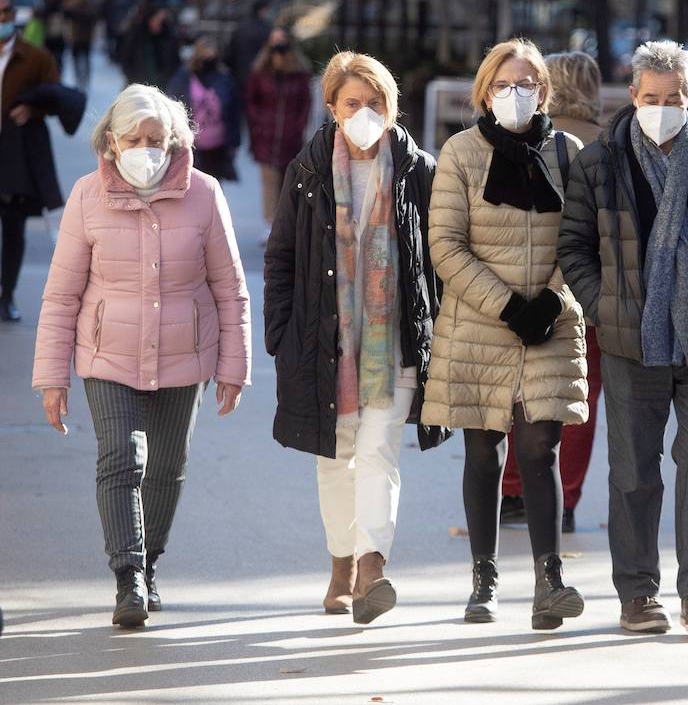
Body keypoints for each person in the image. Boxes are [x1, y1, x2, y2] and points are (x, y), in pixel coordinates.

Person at [559, 39, 688, 634]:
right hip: (632, 342)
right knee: (633, 471)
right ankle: (637, 594)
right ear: (632, 96)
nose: (662, 106)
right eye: (651, 97)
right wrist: (603, 305)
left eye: (673, 97)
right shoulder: (600, 161)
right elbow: (573, 246)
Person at [31, 84, 250, 628]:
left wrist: (234, 366)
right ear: (111, 141)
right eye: (136, 139)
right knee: (122, 458)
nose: (147, 149)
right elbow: (61, 293)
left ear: (175, 142)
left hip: (184, 355)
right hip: (107, 354)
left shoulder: (204, 193)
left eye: (158, 139)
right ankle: (128, 577)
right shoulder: (87, 196)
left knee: (167, 468)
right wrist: (51, 376)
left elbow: (230, 288)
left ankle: (150, 566)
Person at [264, 51, 443, 625]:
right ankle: (340, 564)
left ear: (393, 108)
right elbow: (282, 257)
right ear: (332, 108)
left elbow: (437, 261)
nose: (364, 113)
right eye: (352, 104)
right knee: (335, 457)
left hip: (393, 347)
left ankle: (371, 565)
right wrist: (279, 336)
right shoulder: (308, 170)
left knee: (378, 452)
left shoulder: (421, 171)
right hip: (324, 343)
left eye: (376, 104)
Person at [425, 38, 589, 631]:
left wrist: (550, 299)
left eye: (525, 84)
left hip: (550, 321)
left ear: (543, 90)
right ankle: (484, 578)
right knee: (482, 452)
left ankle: (549, 579)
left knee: (540, 448)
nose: (514, 94)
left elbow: (582, 241)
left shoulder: (568, 153)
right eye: (502, 84)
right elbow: (445, 244)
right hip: (478, 325)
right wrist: (505, 305)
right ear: (484, 91)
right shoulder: (461, 153)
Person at [499, 50, 604, 534]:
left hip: (526, 288)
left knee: (523, 392)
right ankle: (567, 497)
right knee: (579, 398)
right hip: (589, 294)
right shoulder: (609, 144)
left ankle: (516, 488)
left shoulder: (524, 141)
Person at [0, 0, 62, 321]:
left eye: (6, 12)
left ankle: (6, 294)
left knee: (14, 228)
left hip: (18, 155)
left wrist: (33, 108)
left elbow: (57, 96)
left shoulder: (36, 57)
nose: (2, 19)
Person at [245, 28, 313, 243]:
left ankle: (285, 225)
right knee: (269, 181)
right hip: (266, 135)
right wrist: (258, 124)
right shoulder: (260, 72)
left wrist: (298, 126)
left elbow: (305, 103)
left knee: (288, 182)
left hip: (290, 136)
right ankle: (269, 224)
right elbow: (251, 101)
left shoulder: (300, 74)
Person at [167, 37, 240, 182]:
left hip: (218, 148)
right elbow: (172, 105)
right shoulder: (184, 77)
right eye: (205, 54)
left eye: (212, 54)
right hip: (192, 146)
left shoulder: (224, 78)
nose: (209, 57)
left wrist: (234, 142)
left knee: (213, 188)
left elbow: (233, 112)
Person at [119, 2, 179, 89]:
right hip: (137, 85)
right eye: (157, 18)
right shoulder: (137, 35)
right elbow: (125, 58)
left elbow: (175, 61)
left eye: (162, 19)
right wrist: (133, 78)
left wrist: (167, 80)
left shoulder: (169, 37)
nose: (159, 21)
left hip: (162, 88)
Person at [225, 0, 273, 92]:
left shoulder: (241, 27)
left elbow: (230, 53)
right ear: (262, 11)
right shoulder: (266, 29)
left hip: (239, 74)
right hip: (260, 76)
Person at [63, 0, 98, 92]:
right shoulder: (74, 6)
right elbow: (66, 14)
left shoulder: (88, 7)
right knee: (77, 60)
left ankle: (83, 81)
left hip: (84, 38)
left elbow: (92, 17)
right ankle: (80, 81)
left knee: (84, 60)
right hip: (76, 38)